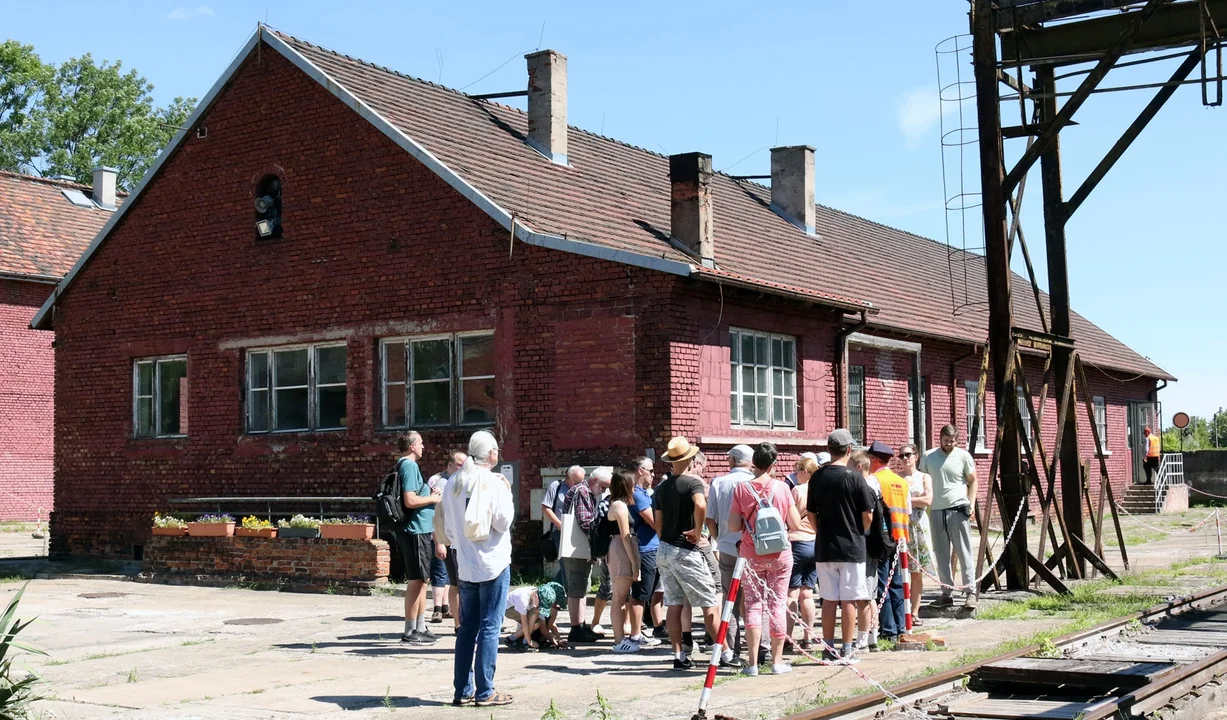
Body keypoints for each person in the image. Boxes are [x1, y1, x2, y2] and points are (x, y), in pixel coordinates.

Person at [438, 430, 515, 707]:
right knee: (491, 627)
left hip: (466, 564)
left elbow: (448, 528)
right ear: (492, 453)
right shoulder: (493, 482)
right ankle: (485, 691)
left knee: (467, 628)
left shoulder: (454, 481)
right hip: (493, 561)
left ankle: (463, 689)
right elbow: (503, 522)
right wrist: (508, 491)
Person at [728, 442, 801, 676]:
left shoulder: (741, 489)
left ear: (753, 463)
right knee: (777, 604)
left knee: (753, 605)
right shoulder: (782, 488)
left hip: (751, 555)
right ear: (773, 464)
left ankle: (752, 663)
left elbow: (732, 525)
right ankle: (777, 662)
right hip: (780, 555)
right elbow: (795, 524)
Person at [653, 436, 723, 671]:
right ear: (691, 459)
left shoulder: (661, 488)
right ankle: (724, 653)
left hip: (664, 549)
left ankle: (680, 655)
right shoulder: (693, 483)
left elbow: (658, 521)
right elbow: (700, 505)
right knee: (709, 601)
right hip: (685, 549)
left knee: (673, 604)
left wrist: (664, 537)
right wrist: (696, 529)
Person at [807, 429, 874, 663]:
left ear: (829, 449)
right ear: (848, 450)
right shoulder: (855, 477)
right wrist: (859, 531)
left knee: (828, 599)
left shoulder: (816, 477)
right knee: (849, 600)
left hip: (825, 547)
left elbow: (811, 513)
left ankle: (828, 647)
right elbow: (868, 515)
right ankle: (847, 648)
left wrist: (820, 532)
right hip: (852, 547)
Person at [706, 445, 756, 668]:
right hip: (754, 547)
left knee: (731, 600)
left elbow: (710, 518)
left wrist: (718, 539)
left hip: (727, 547)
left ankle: (732, 649)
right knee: (754, 600)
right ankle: (760, 649)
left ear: (732, 461)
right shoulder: (757, 482)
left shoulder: (718, 482)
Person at [919, 425, 979, 609]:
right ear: (940, 438)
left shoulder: (963, 456)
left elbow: (972, 480)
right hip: (936, 510)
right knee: (941, 554)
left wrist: (971, 503)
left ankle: (971, 592)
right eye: (946, 440)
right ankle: (946, 593)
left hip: (958, 508)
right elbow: (922, 479)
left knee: (964, 551)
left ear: (957, 440)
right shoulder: (929, 456)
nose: (949, 444)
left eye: (952, 441)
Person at [395, 431, 442, 646]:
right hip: (414, 530)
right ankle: (409, 630)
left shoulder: (407, 465)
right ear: (412, 446)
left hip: (420, 530)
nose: (424, 447)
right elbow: (410, 500)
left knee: (423, 580)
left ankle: (420, 627)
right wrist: (433, 497)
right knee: (416, 581)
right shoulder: (408, 465)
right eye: (421, 443)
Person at [868, 441, 910, 643]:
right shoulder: (901, 482)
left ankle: (888, 629)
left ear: (874, 460)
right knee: (897, 584)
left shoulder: (874, 480)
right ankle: (901, 625)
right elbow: (907, 510)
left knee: (882, 584)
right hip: (900, 537)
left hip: (883, 539)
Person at [603, 468, 643, 653]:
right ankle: (619, 641)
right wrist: (634, 562)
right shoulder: (618, 505)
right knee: (619, 597)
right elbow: (625, 535)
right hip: (620, 550)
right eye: (632, 484)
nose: (635, 487)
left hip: (623, 548)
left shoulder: (620, 504)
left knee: (623, 596)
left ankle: (622, 639)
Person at [560, 466, 601, 643]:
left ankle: (581, 626)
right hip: (577, 549)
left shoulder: (578, 489)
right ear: (595, 482)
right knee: (577, 588)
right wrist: (597, 543)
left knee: (581, 587)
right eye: (603, 487)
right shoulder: (583, 491)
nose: (603, 491)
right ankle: (576, 628)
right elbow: (585, 522)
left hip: (576, 549)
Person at [428, 449, 466, 624]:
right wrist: (439, 542)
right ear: (450, 465)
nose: (463, 468)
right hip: (448, 541)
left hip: (461, 540)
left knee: (460, 582)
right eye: (459, 464)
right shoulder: (443, 484)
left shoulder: (461, 483)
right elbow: (436, 518)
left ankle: (459, 618)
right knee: (456, 583)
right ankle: (458, 624)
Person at [899, 443, 935, 626]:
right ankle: (901, 611)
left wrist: (906, 500)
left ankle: (914, 611)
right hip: (902, 524)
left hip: (919, 525)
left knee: (917, 571)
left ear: (916, 456)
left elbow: (928, 499)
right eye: (902, 456)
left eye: (908, 454)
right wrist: (915, 501)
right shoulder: (898, 478)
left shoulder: (924, 477)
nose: (905, 458)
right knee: (901, 570)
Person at [787, 455, 820, 650]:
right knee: (807, 594)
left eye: (797, 470)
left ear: (805, 471)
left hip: (797, 542)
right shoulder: (819, 491)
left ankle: (788, 638)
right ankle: (808, 637)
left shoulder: (797, 490)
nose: (795, 474)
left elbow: (789, 517)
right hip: (814, 542)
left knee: (792, 594)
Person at [630, 457, 662, 648]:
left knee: (647, 593)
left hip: (652, 548)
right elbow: (654, 522)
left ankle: (638, 632)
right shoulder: (638, 494)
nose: (653, 474)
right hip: (645, 550)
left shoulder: (643, 492)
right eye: (650, 471)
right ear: (640, 471)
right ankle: (635, 634)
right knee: (641, 593)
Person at [504, 582, 565, 652]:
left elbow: (546, 626)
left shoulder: (537, 595)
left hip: (521, 608)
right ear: (536, 597)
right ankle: (514, 639)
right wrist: (530, 641)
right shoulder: (523, 599)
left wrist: (558, 640)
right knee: (535, 613)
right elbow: (524, 623)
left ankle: (522, 639)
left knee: (537, 622)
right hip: (509, 609)